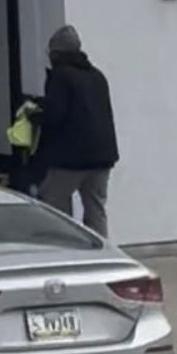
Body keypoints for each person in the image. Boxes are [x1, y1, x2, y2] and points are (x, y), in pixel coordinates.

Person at [34, 25, 119, 237]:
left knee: (54, 206)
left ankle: (64, 250)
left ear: (57, 53)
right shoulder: (97, 76)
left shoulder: (61, 76)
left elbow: (55, 115)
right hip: (102, 156)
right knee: (96, 209)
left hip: (71, 158)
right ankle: (100, 255)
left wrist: (34, 115)